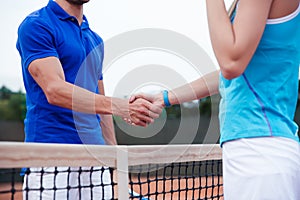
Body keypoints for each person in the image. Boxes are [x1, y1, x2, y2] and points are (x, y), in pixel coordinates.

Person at [130, 0, 300, 199]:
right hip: (255, 150)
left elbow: (230, 63)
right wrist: (164, 98)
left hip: (260, 151)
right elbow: (231, 75)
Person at [16, 0, 162, 199]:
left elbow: (100, 100)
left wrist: (114, 156)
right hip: (50, 155)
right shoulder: (36, 25)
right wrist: (122, 106)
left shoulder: (95, 39)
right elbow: (54, 89)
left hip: (95, 158)